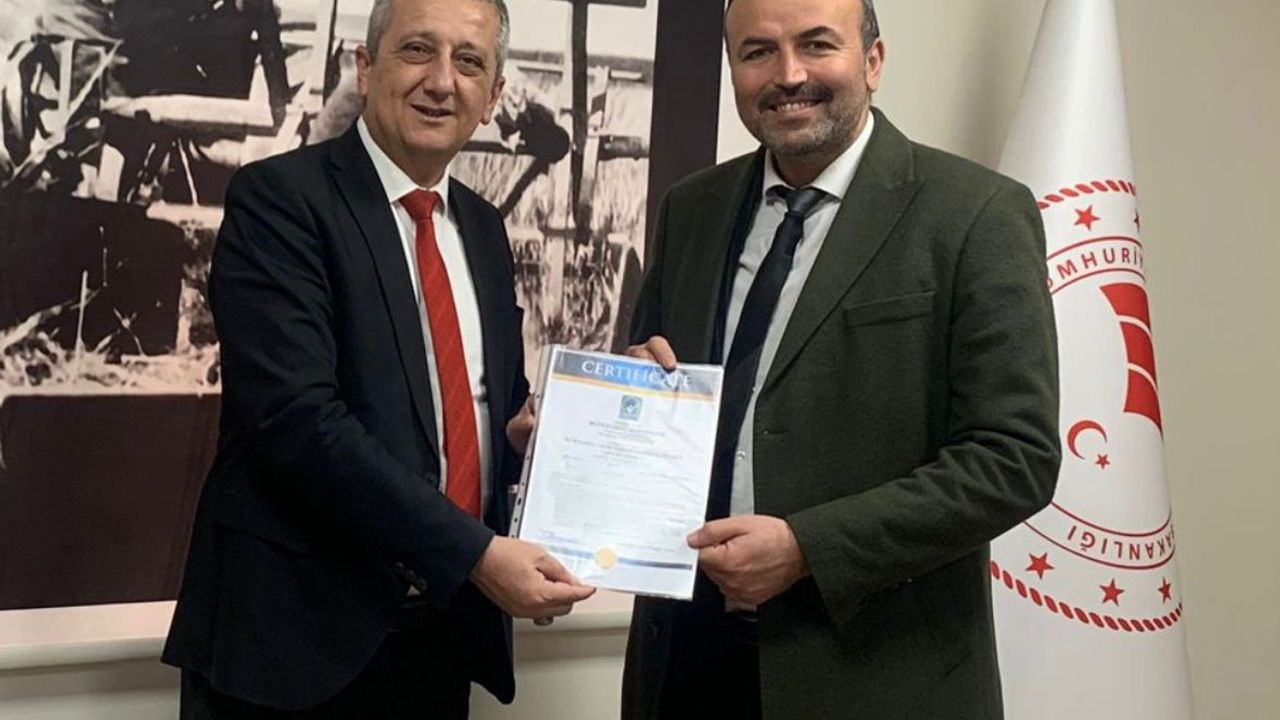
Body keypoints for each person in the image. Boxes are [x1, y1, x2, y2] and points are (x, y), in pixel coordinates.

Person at [621, 0, 1061, 718]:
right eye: (757, 52)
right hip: (684, 664)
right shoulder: (691, 209)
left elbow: (1014, 459)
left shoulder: (975, 214)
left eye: (817, 45)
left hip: (874, 676)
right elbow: (660, 382)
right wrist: (626, 398)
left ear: (873, 61)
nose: (788, 75)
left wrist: (807, 548)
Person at [162, 0, 594, 717]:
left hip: (438, 639)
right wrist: (475, 554)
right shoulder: (280, 200)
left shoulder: (483, 230)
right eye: (417, 50)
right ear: (365, 69)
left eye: (469, 62)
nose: (442, 81)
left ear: (492, 97)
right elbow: (298, 421)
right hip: (294, 650)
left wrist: (540, 435)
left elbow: (482, 406)